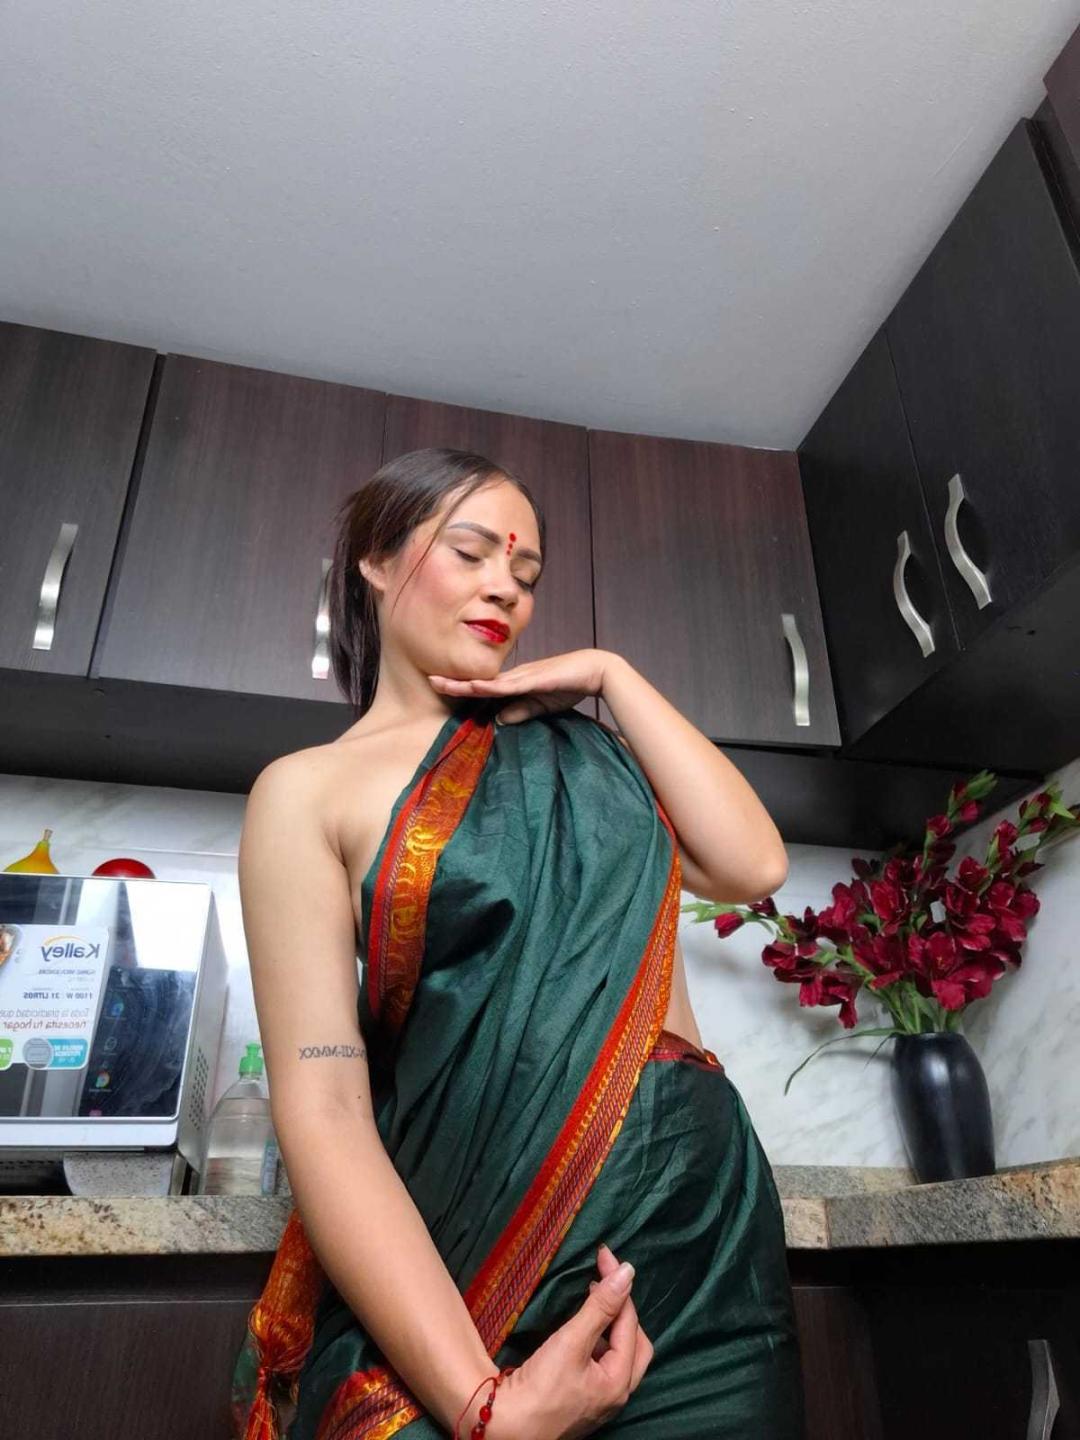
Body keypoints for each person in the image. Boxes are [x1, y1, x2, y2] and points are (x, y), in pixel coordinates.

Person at [229, 447, 805, 1439]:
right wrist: (478, 1403)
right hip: (476, 1254)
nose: (505, 586)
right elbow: (324, 1104)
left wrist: (609, 675)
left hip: (697, 1242)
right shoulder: (307, 791)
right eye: (471, 552)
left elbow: (751, 862)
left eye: (527, 572)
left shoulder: (590, 751)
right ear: (377, 559)